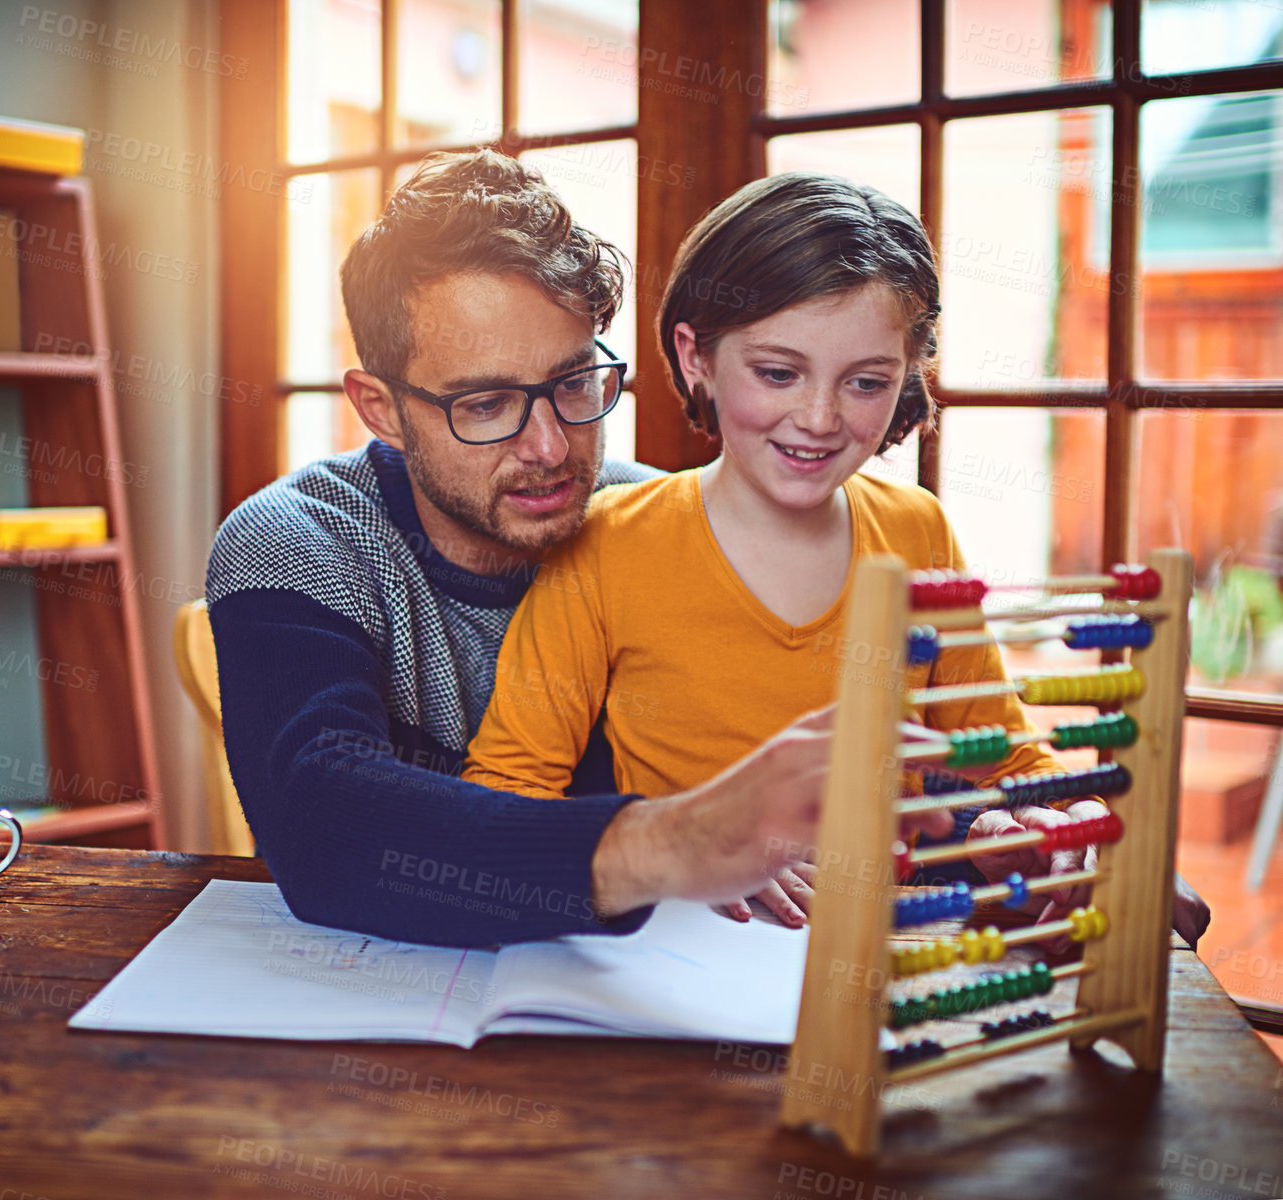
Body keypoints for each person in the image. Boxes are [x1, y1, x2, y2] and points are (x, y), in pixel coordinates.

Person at [204, 151, 935, 948]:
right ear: (380, 409)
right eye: (484, 404)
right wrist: (674, 845)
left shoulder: (648, 524)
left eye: (574, 383)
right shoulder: (297, 542)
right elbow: (323, 829)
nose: (551, 447)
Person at [462, 171, 1211, 947]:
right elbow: (505, 794)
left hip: (878, 960)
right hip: (682, 954)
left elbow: (1001, 753)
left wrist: (1057, 822)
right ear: (696, 359)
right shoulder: (606, 544)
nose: (818, 419)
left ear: (905, 378)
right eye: (778, 373)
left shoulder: (917, 533)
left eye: (864, 382)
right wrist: (699, 854)